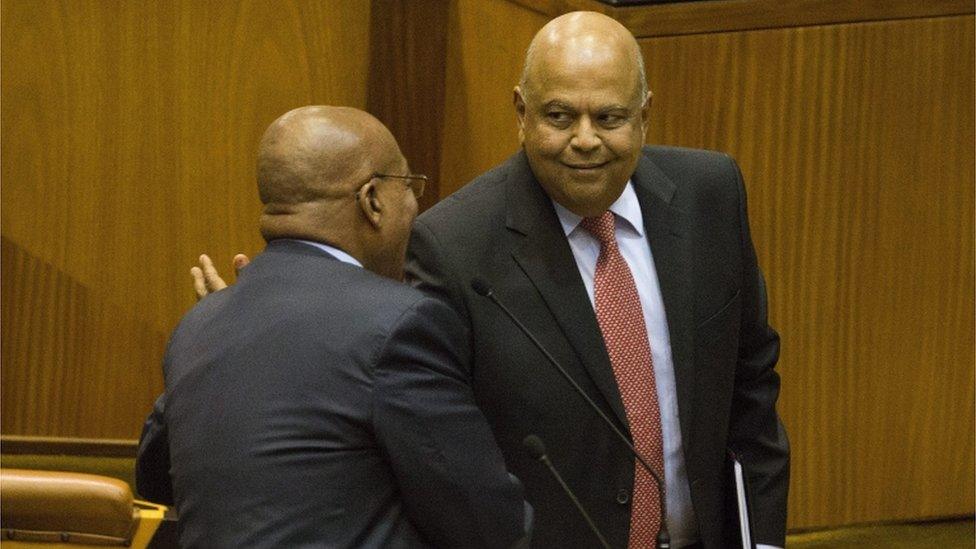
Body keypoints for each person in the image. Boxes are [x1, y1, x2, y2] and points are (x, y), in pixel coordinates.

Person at [197, 12, 789, 549]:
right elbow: (427, 442)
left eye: (608, 117)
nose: (585, 139)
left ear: (644, 115)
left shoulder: (710, 195)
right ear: (521, 113)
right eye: (559, 116)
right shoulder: (452, 245)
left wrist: (761, 539)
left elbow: (751, 386)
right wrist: (256, 341)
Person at [137, 106, 530, 548]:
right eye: (409, 187)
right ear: (372, 200)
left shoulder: (200, 325)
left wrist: (219, 340)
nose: (417, 206)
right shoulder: (399, 325)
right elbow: (485, 524)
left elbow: (154, 480)